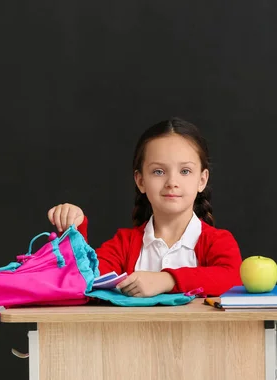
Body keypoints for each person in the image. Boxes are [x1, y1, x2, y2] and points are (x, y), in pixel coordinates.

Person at [47, 117, 243, 297]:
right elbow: (85, 280)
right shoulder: (123, 245)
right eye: (158, 171)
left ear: (202, 180)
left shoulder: (218, 242)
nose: (172, 182)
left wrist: (167, 280)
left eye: (185, 171)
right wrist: (75, 231)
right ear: (140, 181)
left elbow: (233, 278)